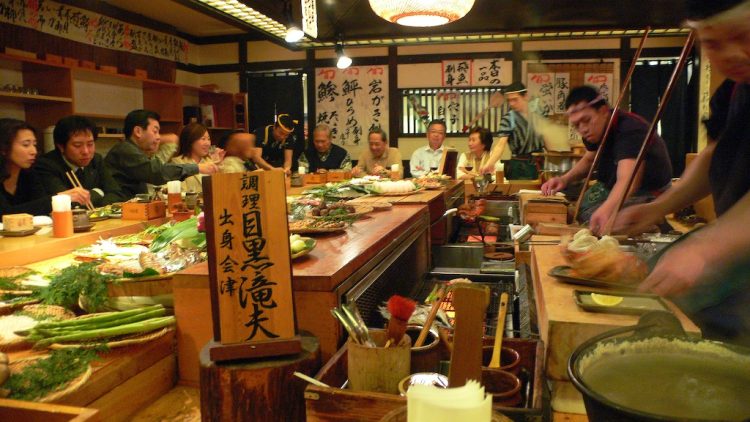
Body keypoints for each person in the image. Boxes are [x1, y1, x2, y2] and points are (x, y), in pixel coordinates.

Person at [611, 0, 750, 346]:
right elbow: (715, 155)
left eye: (744, 36)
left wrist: (705, 249)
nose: (731, 53)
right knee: (660, 293)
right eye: (714, 43)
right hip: (735, 243)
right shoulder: (735, 89)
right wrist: (658, 208)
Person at [540, 85, 673, 231]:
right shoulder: (594, 132)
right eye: (577, 125)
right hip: (613, 185)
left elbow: (628, 181)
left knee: (600, 220)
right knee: (580, 210)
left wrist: (607, 209)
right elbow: (590, 160)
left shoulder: (630, 130)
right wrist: (564, 180)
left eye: (586, 120)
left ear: (603, 111)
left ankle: (656, 225)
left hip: (648, 191)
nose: (583, 129)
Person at [104, 110, 218, 198]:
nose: (158, 137)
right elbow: (157, 172)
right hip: (118, 207)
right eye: (155, 131)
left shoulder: (133, 149)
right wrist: (197, 168)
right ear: (138, 131)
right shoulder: (126, 150)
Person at [0, 118, 88, 217]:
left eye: (34, 144)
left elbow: (41, 207)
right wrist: (59, 198)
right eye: (26, 145)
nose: (34, 151)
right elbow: (4, 214)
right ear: (3, 148)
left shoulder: (29, 173)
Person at [35, 115, 125, 207]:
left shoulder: (96, 159)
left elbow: (117, 194)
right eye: (77, 145)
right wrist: (99, 192)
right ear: (61, 146)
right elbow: (67, 204)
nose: (86, 152)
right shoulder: (47, 165)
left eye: (90, 144)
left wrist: (92, 199)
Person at [480, 82, 547, 178]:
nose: (512, 103)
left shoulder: (540, 113)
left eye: (515, 99)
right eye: (509, 100)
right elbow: (500, 144)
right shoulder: (508, 119)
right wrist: (490, 163)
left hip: (540, 163)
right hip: (519, 165)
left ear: (525, 96)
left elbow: (547, 136)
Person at [169, 123, 225, 194]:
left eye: (208, 139)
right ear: (190, 141)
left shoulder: (210, 161)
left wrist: (219, 165)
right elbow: (181, 193)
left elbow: (222, 189)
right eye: (203, 139)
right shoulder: (177, 162)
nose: (207, 143)